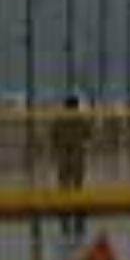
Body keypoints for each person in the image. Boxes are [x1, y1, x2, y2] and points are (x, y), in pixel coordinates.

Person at [51, 96, 93, 238]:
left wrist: (57, 146)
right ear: (76, 106)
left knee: (63, 181)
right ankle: (77, 206)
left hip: (63, 153)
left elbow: (53, 135)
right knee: (77, 182)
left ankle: (64, 207)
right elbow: (88, 134)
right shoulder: (81, 118)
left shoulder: (59, 118)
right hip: (77, 153)